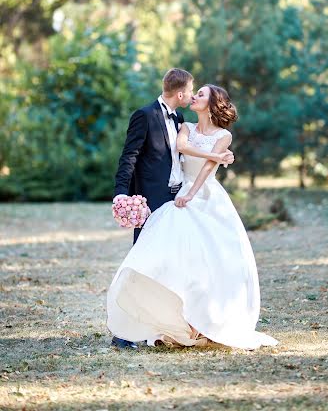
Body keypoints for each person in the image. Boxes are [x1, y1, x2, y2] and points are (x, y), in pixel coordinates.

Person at [107, 84, 278, 350]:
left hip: (205, 196)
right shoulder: (184, 126)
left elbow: (208, 169)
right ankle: (154, 320)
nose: (194, 97)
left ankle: (204, 322)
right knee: (172, 258)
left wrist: (193, 193)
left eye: (200, 95)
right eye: (194, 92)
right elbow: (182, 147)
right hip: (178, 194)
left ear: (212, 105)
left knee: (211, 260)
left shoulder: (224, 136)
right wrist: (215, 156)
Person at [111, 70, 235, 348]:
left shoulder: (181, 120)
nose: (192, 96)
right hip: (151, 200)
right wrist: (121, 194)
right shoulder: (144, 116)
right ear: (180, 94)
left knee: (176, 266)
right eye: (192, 92)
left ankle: (172, 324)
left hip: (178, 200)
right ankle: (125, 332)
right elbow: (128, 157)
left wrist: (218, 155)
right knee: (142, 263)